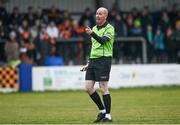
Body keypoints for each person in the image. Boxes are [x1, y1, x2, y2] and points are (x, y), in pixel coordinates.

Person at [81, 7, 115, 123]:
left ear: (105, 16)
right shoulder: (94, 28)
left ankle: (108, 116)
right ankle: (102, 111)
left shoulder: (110, 28)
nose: (97, 16)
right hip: (94, 61)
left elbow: (102, 41)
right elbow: (94, 47)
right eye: (96, 13)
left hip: (104, 61)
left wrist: (92, 33)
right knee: (88, 88)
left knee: (103, 88)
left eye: (100, 14)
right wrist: (89, 63)